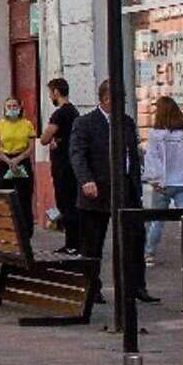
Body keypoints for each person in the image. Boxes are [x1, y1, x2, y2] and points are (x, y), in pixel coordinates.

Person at [69, 79, 154, 305]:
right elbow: (77, 155)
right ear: (105, 99)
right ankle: (91, 288)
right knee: (92, 242)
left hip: (126, 187)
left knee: (135, 238)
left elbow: (131, 154)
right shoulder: (86, 123)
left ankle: (136, 285)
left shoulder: (126, 122)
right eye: (118, 99)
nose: (122, 104)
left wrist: (136, 180)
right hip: (97, 190)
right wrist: (86, 180)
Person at [142, 95, 183, 266]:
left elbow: (153, 158)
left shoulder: (156, 135)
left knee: (157, 220)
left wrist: (152, 178)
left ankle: (149, 253)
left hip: (163, 182)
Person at [40, 78, 81, 254]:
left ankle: (72, 244)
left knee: (65, 204)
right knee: (73, 203)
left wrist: (52, 140)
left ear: (56, 92)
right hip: (72, 163)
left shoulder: (59, 114)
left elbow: (44, 138)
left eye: (50, 92)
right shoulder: (74, 111)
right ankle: (76, 242)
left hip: (62, 166)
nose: (50, 96)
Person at [0, 95, 38, 231]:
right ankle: (5, 229)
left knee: (25, 198)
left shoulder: (27, 124)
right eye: (9, 107)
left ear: (20, 108)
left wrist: (18, 159)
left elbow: (31, 147)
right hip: (5, 161)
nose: (12, 109)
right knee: (5, 197)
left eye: (14, 106)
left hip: (22, 160)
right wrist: (8, 160)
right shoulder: (0, 125)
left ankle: (26, 230)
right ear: (5, 109)